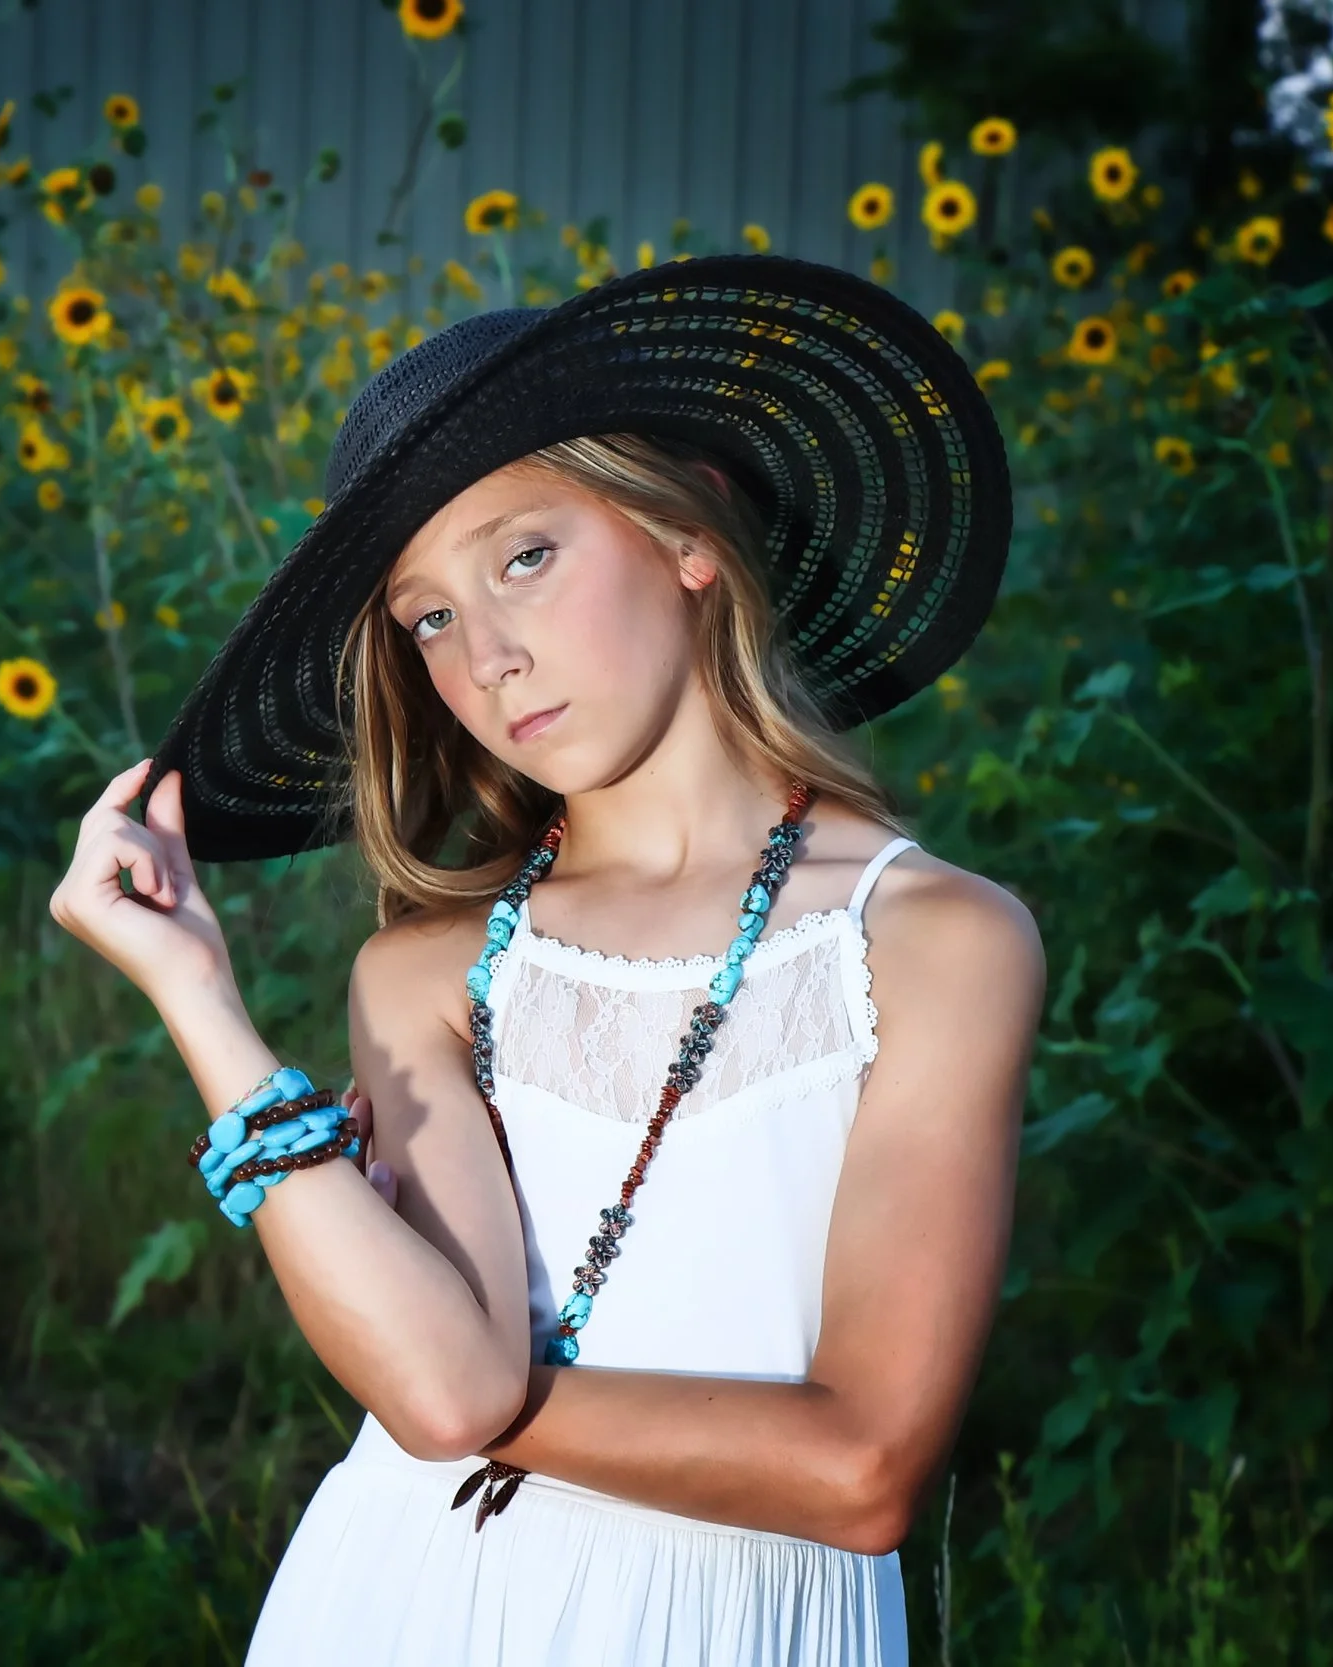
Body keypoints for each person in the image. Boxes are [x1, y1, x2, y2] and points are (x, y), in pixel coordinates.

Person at [51, 253, 1044, 1664]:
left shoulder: (933, 941)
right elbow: (441, 1401)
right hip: (404, 1601)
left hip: (739, 1627)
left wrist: (452, 1369)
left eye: (525, 555)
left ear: (687, 527)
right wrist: (196, 997)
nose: (490, 655)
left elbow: (864, 1469)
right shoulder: (429, 972)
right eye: (430, 617)